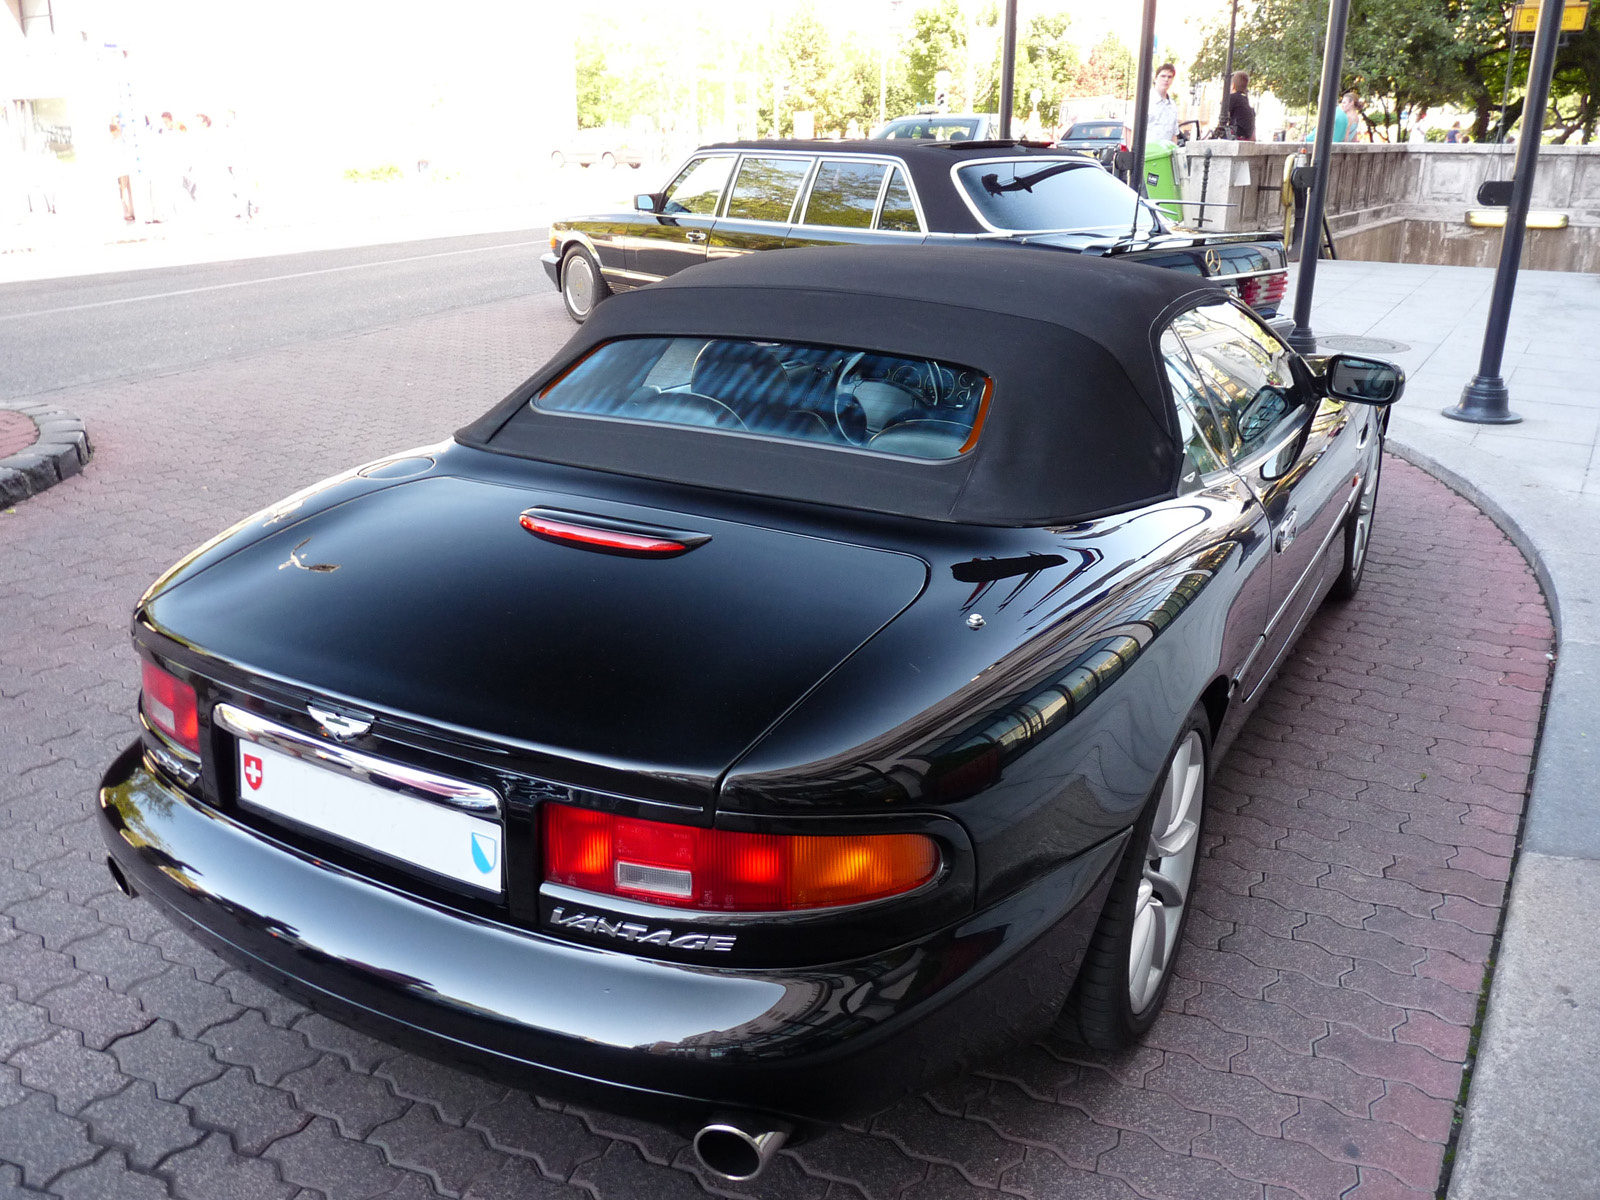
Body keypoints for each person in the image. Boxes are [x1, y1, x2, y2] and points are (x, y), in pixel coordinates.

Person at [1147, 63, 1179, 143]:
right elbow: (1128, 128)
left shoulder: (1173, 106)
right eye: (1163, 76)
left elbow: (1174, 134)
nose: (1166, 79)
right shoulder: (1145, 101)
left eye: (1169, 77)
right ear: (1155, 78)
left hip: (1165, 153)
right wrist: (1135, 153)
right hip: (1146, 153)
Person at [1224, 71, 1256, 141]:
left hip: (1237, 134)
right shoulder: (1245, 99)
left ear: (1233, 85)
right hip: (1246, 135)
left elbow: (1225, 116)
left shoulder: (1232, 98)